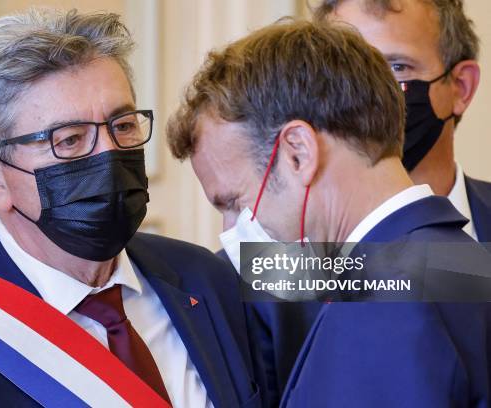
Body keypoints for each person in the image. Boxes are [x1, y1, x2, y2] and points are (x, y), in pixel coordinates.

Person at [0, 9, 261, 407]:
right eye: (70, 139)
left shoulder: (205, 275)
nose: (110, 154)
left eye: (124, 125)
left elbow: (322, 280)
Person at [167, 20, 491, 407]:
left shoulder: (375, 311)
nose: (231, 229)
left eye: (235, 202)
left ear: (298, 152)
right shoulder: (464, 266)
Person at [315, 0, 491, 242]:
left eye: (397, 67)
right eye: (346, 71)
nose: (368, 92)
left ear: (461, 87)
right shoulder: (278, 247)